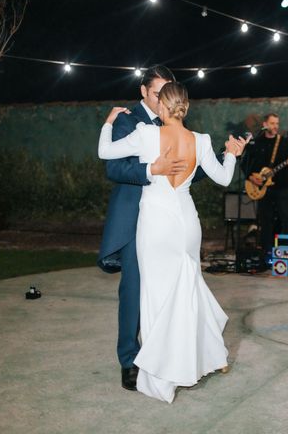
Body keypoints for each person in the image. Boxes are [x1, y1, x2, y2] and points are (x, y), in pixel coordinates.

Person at [98, 82, 247, 402]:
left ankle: (162, 371)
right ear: (186, 108)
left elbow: (104, 152)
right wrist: (232, 155)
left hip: (155, 224)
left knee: (155, 296)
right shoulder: (201, 140)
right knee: (188, 286)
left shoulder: (146, 134)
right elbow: (223, 178)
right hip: (187, 223)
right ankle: (202, 357)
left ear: (162, 108)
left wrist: (108, 122)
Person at [242, 113, 288, 263]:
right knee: (265, 221)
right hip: (262, 189)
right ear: (265, 124)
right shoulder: (256, 142)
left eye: (277, 124)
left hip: (281, 188)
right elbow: (245, 163)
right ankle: (266, 254)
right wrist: (251, 177)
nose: (275, 126)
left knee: (285, 219)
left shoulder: (284, 142)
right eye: (272, 123)